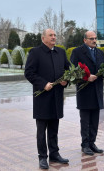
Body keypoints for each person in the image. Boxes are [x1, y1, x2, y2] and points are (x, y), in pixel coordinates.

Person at [25, 28, 70, 170]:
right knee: (41, 130)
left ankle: (55, 154)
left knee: (54, 128)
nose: (54, 37)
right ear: (43, 38)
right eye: (50, 35)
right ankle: (42, 157)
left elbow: (68, 70)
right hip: (42, 98)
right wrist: (43, 84)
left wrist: (66, 81)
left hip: (56, 96)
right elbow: (29, 73)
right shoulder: (35, 52)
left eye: (55, 35)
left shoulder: (61, 52)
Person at [70, 31, 104, 156]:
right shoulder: (77, 52)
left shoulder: (100, 53)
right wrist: (86, 78)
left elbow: (103, 70)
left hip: (97, 92)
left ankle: (92, 143)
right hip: (84, 92)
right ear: (85, 40)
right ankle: (85, 145)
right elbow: (73, 72)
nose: (94, 41)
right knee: (85, 121)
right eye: (91, 39)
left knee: (95, 120)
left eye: (95, 38)